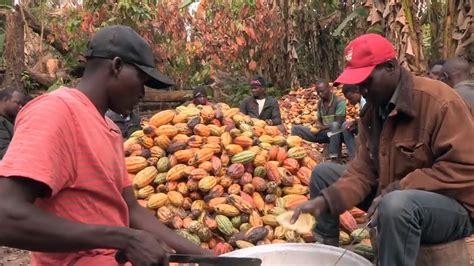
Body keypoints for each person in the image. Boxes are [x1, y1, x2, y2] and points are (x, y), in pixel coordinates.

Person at [0, 25, 209, 266]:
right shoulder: (55, 111)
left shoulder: (109, 128)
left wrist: (208, 258)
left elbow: (130, 209)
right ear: (117, 66)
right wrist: (123, 239)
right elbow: (6, 215)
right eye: (141, 80)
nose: (143, 93)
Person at [291, 34, 474, 266]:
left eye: (366, 81)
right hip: (391, 195)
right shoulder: (373, 112)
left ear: (390, 67)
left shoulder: (439, 102)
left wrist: (401, 187)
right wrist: (325, 202)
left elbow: (466, 169)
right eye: (358, 84)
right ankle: (326, 254)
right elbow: (362, 171)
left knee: (396, 205)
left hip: (451, 209)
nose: (362, 90)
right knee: (323, 175)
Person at [291, 80, 346, 159]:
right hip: (324, 133)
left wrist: (322, 127)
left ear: (329, 88)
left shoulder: (339, 101)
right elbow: (319, 121)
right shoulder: (320, 103)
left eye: (322, 91)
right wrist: (317, 126)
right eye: (318, 92)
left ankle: (334, 157)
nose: (320, 94)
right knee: (296, 129)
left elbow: (339, 122)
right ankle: (296, 155)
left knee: (334, 125)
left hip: (336, 133)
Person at [341, 84, 366, 159]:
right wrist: (355, 123)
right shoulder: (361, 101)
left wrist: (355, 123)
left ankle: (355, 157)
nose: (349, 101)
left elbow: (367, 119)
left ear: (357, 92)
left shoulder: (364, 101)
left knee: (345, 127)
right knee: (346, 126)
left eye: (350, 98)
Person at [0, 86, 25, 159]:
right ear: (5, 100)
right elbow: (3, 152)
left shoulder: (9, 120)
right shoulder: (1, 122)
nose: (20, 107)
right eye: (17, 103)